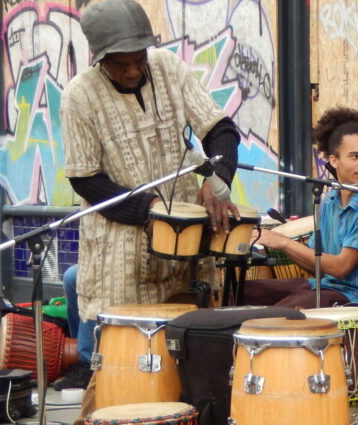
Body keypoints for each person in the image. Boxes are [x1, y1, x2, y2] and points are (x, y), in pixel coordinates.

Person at [58, 0, 240, 392]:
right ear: (100, 58)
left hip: (185, 251)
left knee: (187, 363)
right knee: (126, 375)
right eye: (120, 64)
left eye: (139, 59)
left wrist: (217, 179)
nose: (133, 70)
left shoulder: (169, 67)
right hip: (119, 257)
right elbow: (85, 178)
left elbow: (220, 129)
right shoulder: (79, 95)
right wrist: (151, 207)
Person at [244, 107, 358, 308]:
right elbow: (316, 266)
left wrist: (284, 243)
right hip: (324, 286)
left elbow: (341, 268)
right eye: (355, 156)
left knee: (282, 313)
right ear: (334, 160)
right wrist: (277, 245)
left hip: (356, 297)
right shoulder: (330, 200)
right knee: (241, 291)